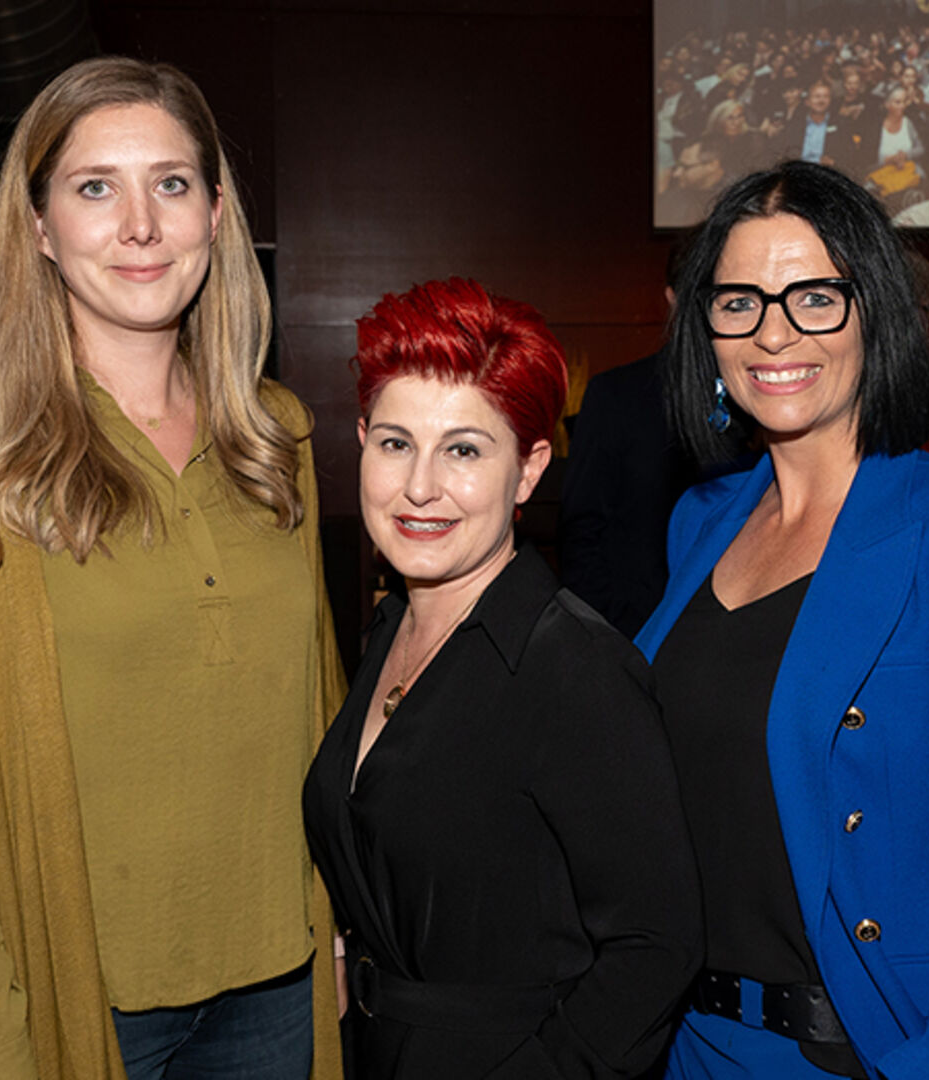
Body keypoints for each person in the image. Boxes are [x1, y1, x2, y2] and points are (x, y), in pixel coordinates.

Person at [0, 57, 345, 1080]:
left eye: (171, 183)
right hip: (66, 1004)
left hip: (276, 982)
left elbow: (313, 712)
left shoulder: (272, 434)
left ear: (213, 214)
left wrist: (332, 925)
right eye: (94, 187)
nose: (140, 225)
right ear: (37, 228)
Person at [636, 161, 929, 1080]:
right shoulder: (701, 520)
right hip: (687, 1043)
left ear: (872, 311)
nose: (773, 333)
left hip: (871, 1052)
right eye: (739, 303)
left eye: (813, 297)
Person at [304, 278, 701, 1078]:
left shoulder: (576, 670)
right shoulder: (389, 628)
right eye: (394, 443)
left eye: (463, 449)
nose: (419, 486)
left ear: (528, 471)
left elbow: (657, 945)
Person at [560, 238, 699, 638]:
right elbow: (581, 529)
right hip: (629, 635)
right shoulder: (616, 394)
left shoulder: (766, 403)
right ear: (672, 298)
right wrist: (604, 637)